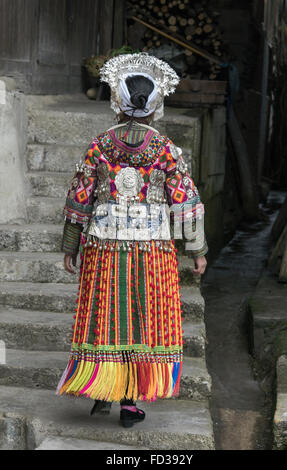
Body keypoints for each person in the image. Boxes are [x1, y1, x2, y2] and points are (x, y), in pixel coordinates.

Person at [56, 53, 208, 428]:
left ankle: (102, 389)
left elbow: (80, 197)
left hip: (104, 247)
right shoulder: (166, 149)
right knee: (142, 319)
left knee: (105, 315)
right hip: (151, 250)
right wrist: (197, 250)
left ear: (118, 101)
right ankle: (129, 402)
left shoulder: (100, 145)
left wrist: (70, 245)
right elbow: (184, 202)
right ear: (155, 104)